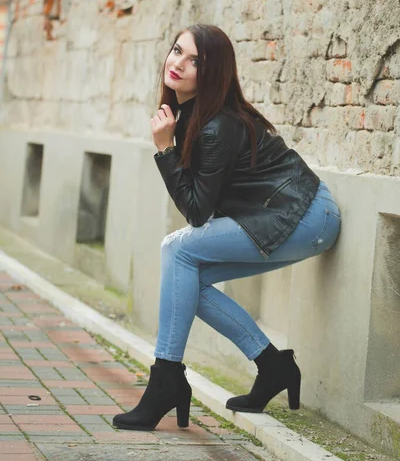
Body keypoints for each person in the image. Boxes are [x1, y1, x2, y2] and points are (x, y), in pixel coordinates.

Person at [113, 24, 341, 432]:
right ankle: (273, 366)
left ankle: (166, 382)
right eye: (177, 51)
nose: (179, 63)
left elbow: (197, 212)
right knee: (187, 278)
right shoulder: (191, 115)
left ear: (212, 72)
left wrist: (165, 150)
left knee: (178, 250)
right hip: (274, 213)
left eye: (195, 60)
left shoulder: (217, 126)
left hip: (306, 215)